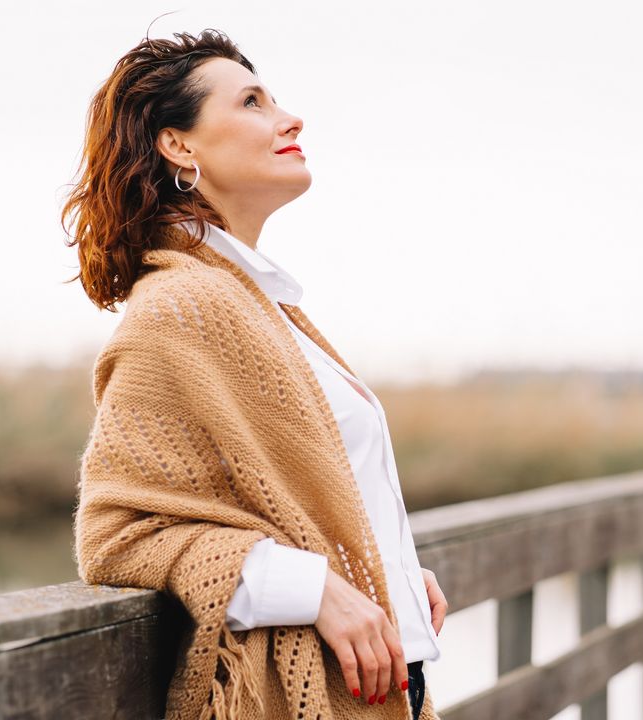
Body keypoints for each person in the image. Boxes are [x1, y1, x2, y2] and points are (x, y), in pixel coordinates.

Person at [63, 26, 447, 720]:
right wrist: (315, 588)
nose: (289, 117)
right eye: (252, 102)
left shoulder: (260, 303)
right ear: (179, 145)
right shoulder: (180, 307)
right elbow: (116, 537)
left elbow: (295, 493)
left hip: (385, 685)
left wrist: (378, 567)